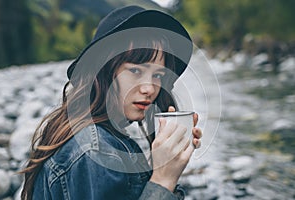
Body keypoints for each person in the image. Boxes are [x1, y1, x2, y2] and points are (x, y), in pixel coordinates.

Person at [20, 5, 202, 200]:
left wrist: (170, 163)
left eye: (158, 75)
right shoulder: (96, 152)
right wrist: (163, 179)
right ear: (103, 71)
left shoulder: (93, 137)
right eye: (135, 71)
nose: (149, 88)